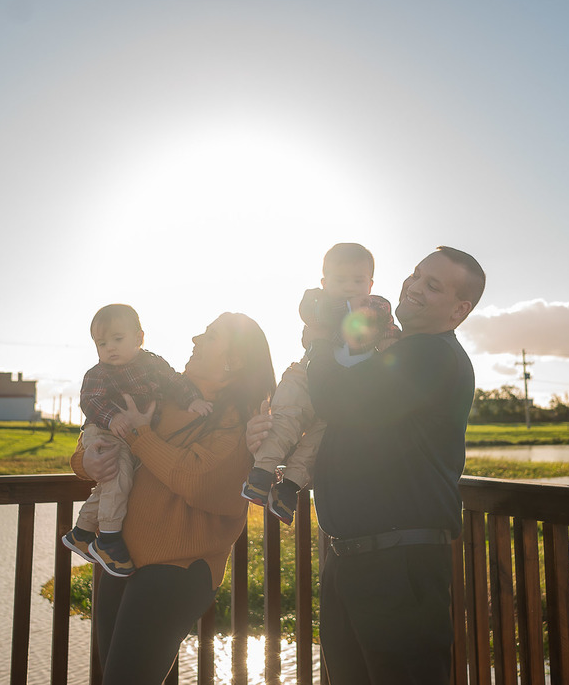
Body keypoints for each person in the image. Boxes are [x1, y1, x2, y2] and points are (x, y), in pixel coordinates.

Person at [249, 246, 485, 685]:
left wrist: (319, 339)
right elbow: (334, 422)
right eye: (415, 275)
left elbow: (340, 400)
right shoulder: (389, 354)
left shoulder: (433, 356)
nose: (413, 286)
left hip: (399, 565)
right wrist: (267, 439)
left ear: (459, 309)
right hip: (353, 557)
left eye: (432, 285)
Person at [87, 312, 276, 685]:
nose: (195, 339)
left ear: (233, 360)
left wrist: (141, 435)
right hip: (120, 559)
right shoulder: (163, 397)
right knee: (111, 673)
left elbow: (199, 480)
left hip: (177, 569)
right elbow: (102, 432)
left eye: (209, 336)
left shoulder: (242, 421)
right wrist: (87, 459)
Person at [240, 242, 400, 524]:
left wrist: (391, 346)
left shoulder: (378, 309)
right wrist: (346, 306)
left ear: (371, 283)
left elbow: (390, 336)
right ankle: (261, 474)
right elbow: (312, 314)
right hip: (308, 374)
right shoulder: (317, 301)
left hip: (345, 387)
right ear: (325, 282)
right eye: (340, 280)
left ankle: (288, 488)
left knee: (320, 439)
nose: (350, 286)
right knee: (287, 418)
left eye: (358, 280)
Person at [61, 304, 211, 577]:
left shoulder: (153, 364)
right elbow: (90, 400)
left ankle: (82, 533)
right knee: (118, 473)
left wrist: (193, 400)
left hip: (130, 435)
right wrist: (111, 418)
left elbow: (175, 382)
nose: (109, 348)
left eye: (117, 339)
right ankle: (108, 539)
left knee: (115, 480)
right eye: (101, 343)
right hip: (104, 430)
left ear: (139, 338)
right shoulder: (98, 373)